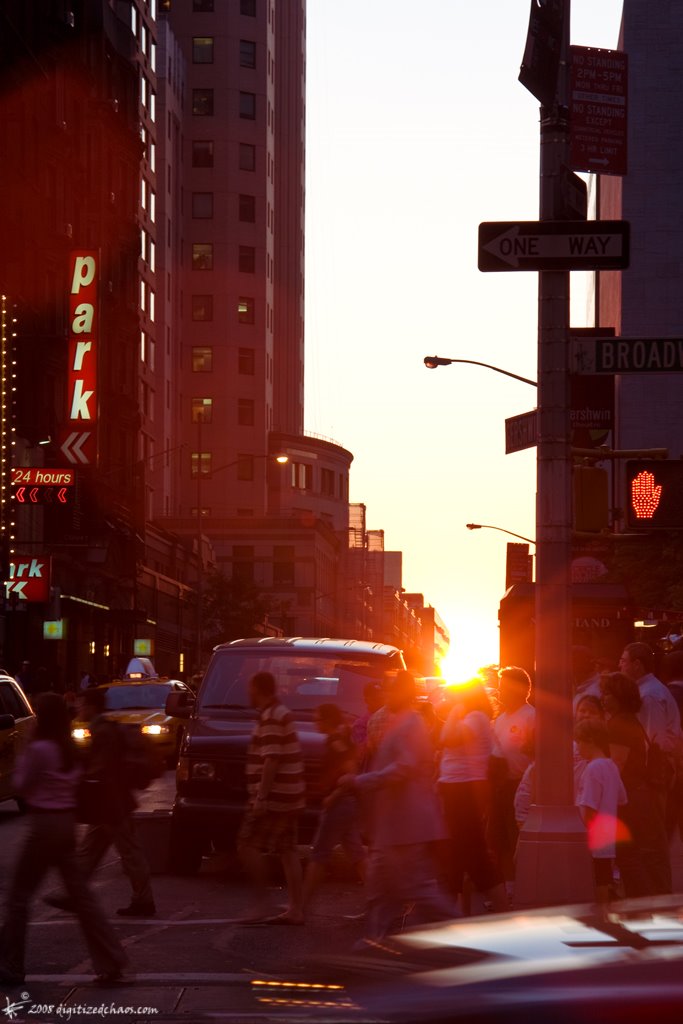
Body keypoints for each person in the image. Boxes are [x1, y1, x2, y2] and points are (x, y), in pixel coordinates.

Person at [0, 694, 127, 986]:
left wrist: (26, 754)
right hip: (66, 823)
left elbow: (21, 784)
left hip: (44, 823)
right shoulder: (69, 748)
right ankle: (111, 962)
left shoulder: (41, 748)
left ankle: (12, 963)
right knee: (83, 899)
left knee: (19, 897)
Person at [337, 670, 453, 943]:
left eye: (393, 690)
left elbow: (402, 769)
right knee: (382, 893)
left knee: (418, 891)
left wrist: (360, 781)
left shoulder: (412, 723)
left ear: (405, 692)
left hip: (408, 825)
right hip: (394, 826)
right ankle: (375, 944)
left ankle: (462, 933)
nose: (388, 694)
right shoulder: (398, 721)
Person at [45, 687, 156, 917]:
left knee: (130, 854)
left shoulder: (104, 732)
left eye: (82, 703)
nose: (78, 707)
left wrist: (80, 771)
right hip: (107, 805)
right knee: (89, 851)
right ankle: (74, 895)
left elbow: (101, 770)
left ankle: (143, 901)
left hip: (113, 806)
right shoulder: (102, 729)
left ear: (93, 706)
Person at [235, 671, 306, 925]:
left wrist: (261, 797)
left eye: (250, 688)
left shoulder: (272, 716)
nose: (248, 692)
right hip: (288, 796)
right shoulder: (277, 713)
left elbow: (271, 759)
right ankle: (296, 910)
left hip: (274, 798)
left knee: (246, 844)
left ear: (258, 688)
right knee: (288, 851)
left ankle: (262, 904)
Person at [437, 682, 507, 914]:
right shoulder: (473, 717)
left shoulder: (475, 717)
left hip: (465, 789)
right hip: (457, 787)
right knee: (460, 849)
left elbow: (448, 738)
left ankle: (500, 907)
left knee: (473, 850)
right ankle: (459, 910)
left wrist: (455, 710)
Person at [618, 641, 682, 893]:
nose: (619, 665)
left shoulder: (650, 696)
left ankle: (658, 893)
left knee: (653, 839)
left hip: (654, 775)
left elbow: (652, 741)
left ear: (637, 664)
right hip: (656, 773)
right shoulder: (649, 692)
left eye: (623, 661)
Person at [600, 670, 663, 897]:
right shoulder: (631, 721)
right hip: (642, 794)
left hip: (630, 796)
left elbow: (617, 765)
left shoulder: (617, 725)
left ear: (619, 697)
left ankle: (641, 904)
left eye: (607, 693)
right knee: (645, 854)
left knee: (629, 855)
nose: (603, 698)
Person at [301, 704, 365, 917]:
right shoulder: (341, 736)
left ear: (328, 720)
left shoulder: (335, 740)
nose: (315, 723)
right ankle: (380, 902)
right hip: (349, 804)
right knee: (357, 855)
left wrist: (332, 796)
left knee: (319, 854)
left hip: (339, 804)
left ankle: (300, 908)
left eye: (318, 719)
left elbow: (349, 770)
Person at [488, 666, 535, 892]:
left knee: (518, 839)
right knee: (500, 841)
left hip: (521, 787)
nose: (500, 691)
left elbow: (538, 752)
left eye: (504, 687)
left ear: (522, 689)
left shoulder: (532, 716)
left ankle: (523, 885)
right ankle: (508, 888)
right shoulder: (499, 719)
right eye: (500, 686)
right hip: (501, 787)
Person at [574, 717, 627, 904]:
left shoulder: (592, 769)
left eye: (579, 741)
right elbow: (622, 798)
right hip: (608, 836)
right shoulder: (611, 766)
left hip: (592, 839)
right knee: (604, 878)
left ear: (590, 741)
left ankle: (600, 920)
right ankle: (606, 917)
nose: (577, 746)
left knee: (595, 882)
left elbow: (588, 806)